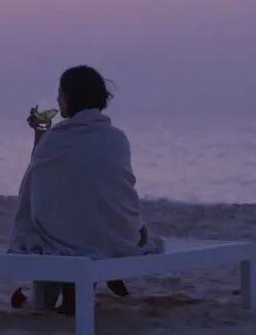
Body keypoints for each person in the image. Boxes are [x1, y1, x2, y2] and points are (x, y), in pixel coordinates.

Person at [8, 65, 162, 315]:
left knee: (52, 231)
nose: (57, 99)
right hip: (120, 234)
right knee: (84, 219)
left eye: (60, 93)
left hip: (78, 237)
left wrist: (40, 135)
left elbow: (34, 182)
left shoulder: (56, 140)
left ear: (69, 98)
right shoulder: (117, 138)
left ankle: (60, 302)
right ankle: (92, 280)